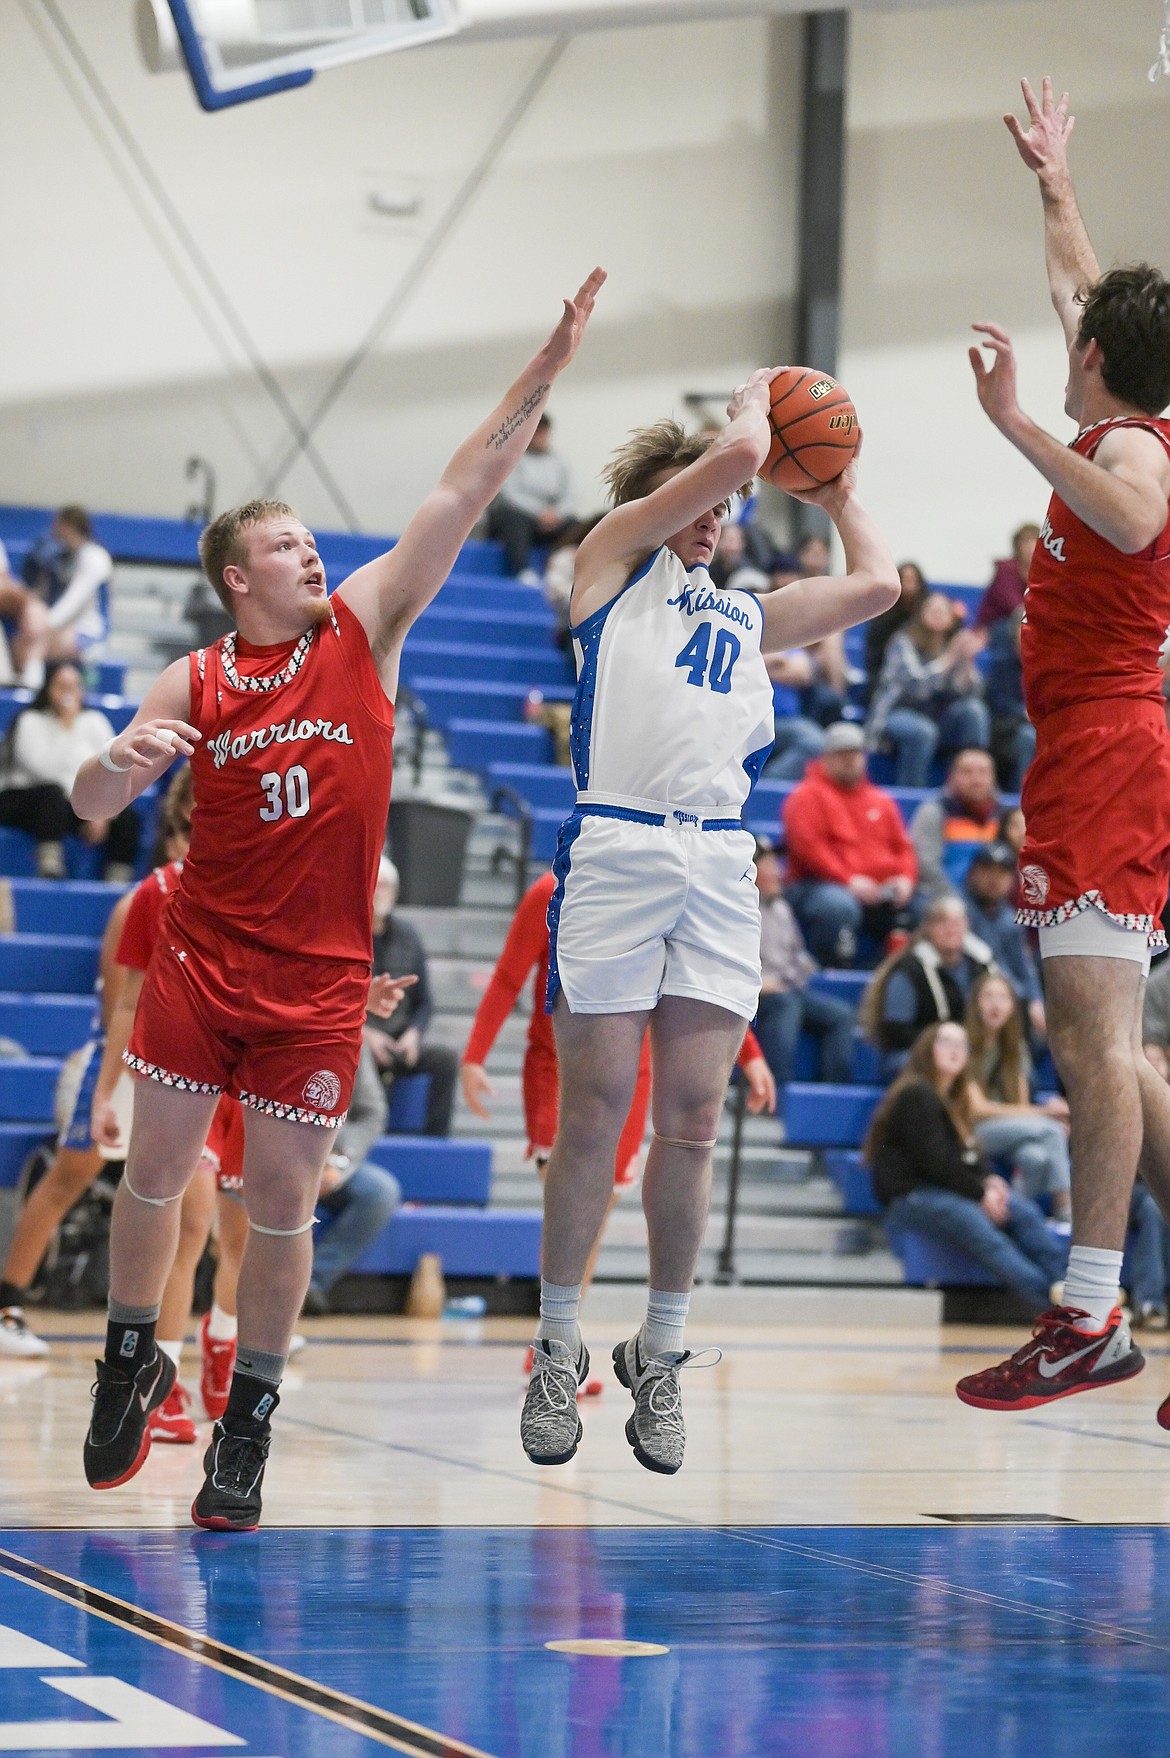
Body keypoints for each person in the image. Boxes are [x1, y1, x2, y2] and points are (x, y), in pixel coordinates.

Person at [70, 266, 605, 1530]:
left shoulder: (364, 626)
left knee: (282, 1203)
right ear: (235, 579)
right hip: (202, 966)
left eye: (310, 537)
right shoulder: (194, 678)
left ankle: (248, 1418)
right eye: (281, 544)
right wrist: (114, 761)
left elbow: (460, 487)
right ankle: (124, 1357)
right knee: (155, 1181)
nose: (309, 550)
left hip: (317, 982)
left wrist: (545, 371)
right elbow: (92, 804)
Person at [518, 374, 899, 1476]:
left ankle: (664, 1353)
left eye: (728, 510)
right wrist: (753, 405)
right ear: (663, 499)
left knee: (693, 1121)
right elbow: (734, 457)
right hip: (620, 846)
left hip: (722, 858)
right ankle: (554, 1346)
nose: (722, 518)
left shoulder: (747, 611)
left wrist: (836, 488)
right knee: (596, 1115)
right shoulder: (608, 567)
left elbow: (876, 584)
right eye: (705, 502)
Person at [955, 77, 1170, 1412]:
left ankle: (1087, 1312)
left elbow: (1137, 523)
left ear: (1090, 360)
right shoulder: (1132, 409)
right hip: (1099, 746)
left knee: (1089, 1046)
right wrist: (1050, 177)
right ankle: (1104, 1304)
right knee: (1126, 1056)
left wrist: (1016, 426)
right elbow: (1081, 280)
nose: (1066, 321)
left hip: (1103, 750)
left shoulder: (1134, 449)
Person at [461, 869, 775, 1311]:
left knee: (599, 1211)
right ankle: (555, 1336)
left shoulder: (658, 884)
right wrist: (474, 1055)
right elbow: (508, 980)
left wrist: (751, 1054)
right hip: (555, 1069)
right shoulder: (549, 891)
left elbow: (697, 983)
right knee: (571, 1203)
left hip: (633, 1069)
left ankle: (562, 1332)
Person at [866, 1022, 1067, 1312]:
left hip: (947, 1190)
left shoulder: (955, 1100)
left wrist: (990, 1181)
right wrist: (979, 1193)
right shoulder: (916, 1094)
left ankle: (1068, 1290)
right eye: (945, 1042)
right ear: (926, 1049)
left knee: (1024, 1212)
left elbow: (970, 1153)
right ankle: (1055, 1314)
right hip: (912, 1196)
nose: (954, 1050)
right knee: (983, 1232)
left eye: (961, 1044)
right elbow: (936, 1163)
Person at [782, 721, 918, 966]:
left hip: (879, 888)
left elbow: (903, 848)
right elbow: (809, 850)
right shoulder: (806, 796)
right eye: (841, 754)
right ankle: (832, 968)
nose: (849, 760)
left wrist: (905, 878)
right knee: (838, 905)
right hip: (816, 885)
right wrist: (848, 880)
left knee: (927, 907)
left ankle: (899, 972)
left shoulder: (881, 800)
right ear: (826, 757)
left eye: (854, 754)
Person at [0, 660, 140, 880]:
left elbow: (112, 767)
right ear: (48, 688)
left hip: (74, 802)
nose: (68, 692)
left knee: (127, 817)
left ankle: (117, 884)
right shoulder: (29, 720)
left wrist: (101, 812)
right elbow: (43, 768)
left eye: (74, 686)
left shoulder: (94, 721)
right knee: (51, 794)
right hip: (26, 800)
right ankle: (50, 865)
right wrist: (66, 725)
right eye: (61, 686)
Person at [303, 1043, 402, 1317]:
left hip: (332, 1155)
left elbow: (372, 1113)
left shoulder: (356, 1043)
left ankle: (311, 1282)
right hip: (275, 1154)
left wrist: (338, 1162)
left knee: (380, 1192)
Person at [751, 837, 854, 1101]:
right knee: (786, 1005)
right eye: (771, 864)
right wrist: (761, 983)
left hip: (789, 987)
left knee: (841, 1015)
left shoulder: (783, 908)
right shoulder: (740, 910)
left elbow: (798, 954)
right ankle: (778, 1094)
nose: (778, 872)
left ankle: (832, 1096)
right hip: (758, 992)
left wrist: (806, 967)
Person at [965, 971, 1070, 1221]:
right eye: (988, 997)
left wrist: (1038, 1116)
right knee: (1052, 1131)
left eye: (1002, 997)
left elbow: (1020, 1106)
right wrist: (1045, 1114)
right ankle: (1065, 1208)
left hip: (1006, 1130)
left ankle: (1014, 1213)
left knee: (1035, 1158)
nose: (995, 1004)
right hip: (971, 1132)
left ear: (1013, 1006)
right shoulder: (966, 1043)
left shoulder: (1016, 1048)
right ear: (975, 1003)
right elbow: (976, 1110)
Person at [367, 858, 458, 1137]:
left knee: (446, 1059)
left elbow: (424, 1002)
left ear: (395, 893)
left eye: (386, 887)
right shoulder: (350, 936)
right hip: (361, 1040)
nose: (380, 892)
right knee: (357, 1060)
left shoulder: (409, 937)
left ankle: (435, 1142)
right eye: (375, 886)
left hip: (400, 1038)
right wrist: (365, 1035)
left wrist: (414, 1034)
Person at [861, 895, 994, 1079]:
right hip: (916, 1051)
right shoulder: (909, 969)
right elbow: (896, 1030)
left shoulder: (982, 966)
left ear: (967, 926)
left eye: (957, 922)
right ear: (928, 927)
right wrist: (941, 1046)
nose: (951, 929)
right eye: (942, 922)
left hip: (968, 1049)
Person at [866, 592, 990, 787]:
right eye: (933, 609)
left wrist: (967, 661)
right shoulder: (903, 642)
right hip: (896, 713)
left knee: (973, 711)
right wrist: (950, 659)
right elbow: (916, 687)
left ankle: (968, 785)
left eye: (944, 610)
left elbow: (973, 694)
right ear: (921, 614)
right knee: (923, 731)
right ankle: (914, 795)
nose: (939, 613)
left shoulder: (953, 646)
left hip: (937, 716)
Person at [19, 505, 113, 683]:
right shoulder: (63, 557)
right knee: (22, 642)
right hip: (61, 630)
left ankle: (29, 689)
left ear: (69, 526)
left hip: (89, 635)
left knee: (36, 642)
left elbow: (72, 603)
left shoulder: (95, 557)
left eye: (57, 525)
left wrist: (41, 624)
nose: (53, 531)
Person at [962, 843, 1045, 1037]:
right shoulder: (959, 913)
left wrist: (1035, 1000)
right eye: (987, 870)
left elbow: (1024, 968)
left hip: (1011, 1005)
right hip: (969, 1003)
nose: (994, 879)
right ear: (972, 873)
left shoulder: (1010, 919)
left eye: (1002, 873)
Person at [486, 412, 575, 582]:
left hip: (551, 518)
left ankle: (563, 571)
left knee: (575, 525)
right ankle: (523, 570)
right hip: (522, 516)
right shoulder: (512, 458)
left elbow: (570, 496)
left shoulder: (560, 462)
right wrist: (539, 512)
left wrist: (557, 514)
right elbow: (510, 495)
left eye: (543, 431)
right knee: (512, 518)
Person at [909, 747, 1002, 902]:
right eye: (967, 772)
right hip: (940, 897)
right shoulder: (934, 811)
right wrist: (954, 899)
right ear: (951, 777)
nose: (976, 780)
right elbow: (927, 866)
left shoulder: (1002, 816)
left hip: (990, 900)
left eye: (983, 772)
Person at [985, 607, 1036, 791]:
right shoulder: (1002, 663)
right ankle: (1022, 795)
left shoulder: (1052, 663)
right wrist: (1025, 714)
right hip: (1005, 730)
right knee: (1028, 737)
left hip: (1037, 724)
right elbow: (998, 704)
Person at [975, 522, 1040, 630]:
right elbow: (1014, 605)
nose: (1030, 547)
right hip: (995, 624)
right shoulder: (1005, 570)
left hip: (1026, 620)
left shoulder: (1042, 573)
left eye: (1035, 541)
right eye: (1025, 542)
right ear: (1017, 546)